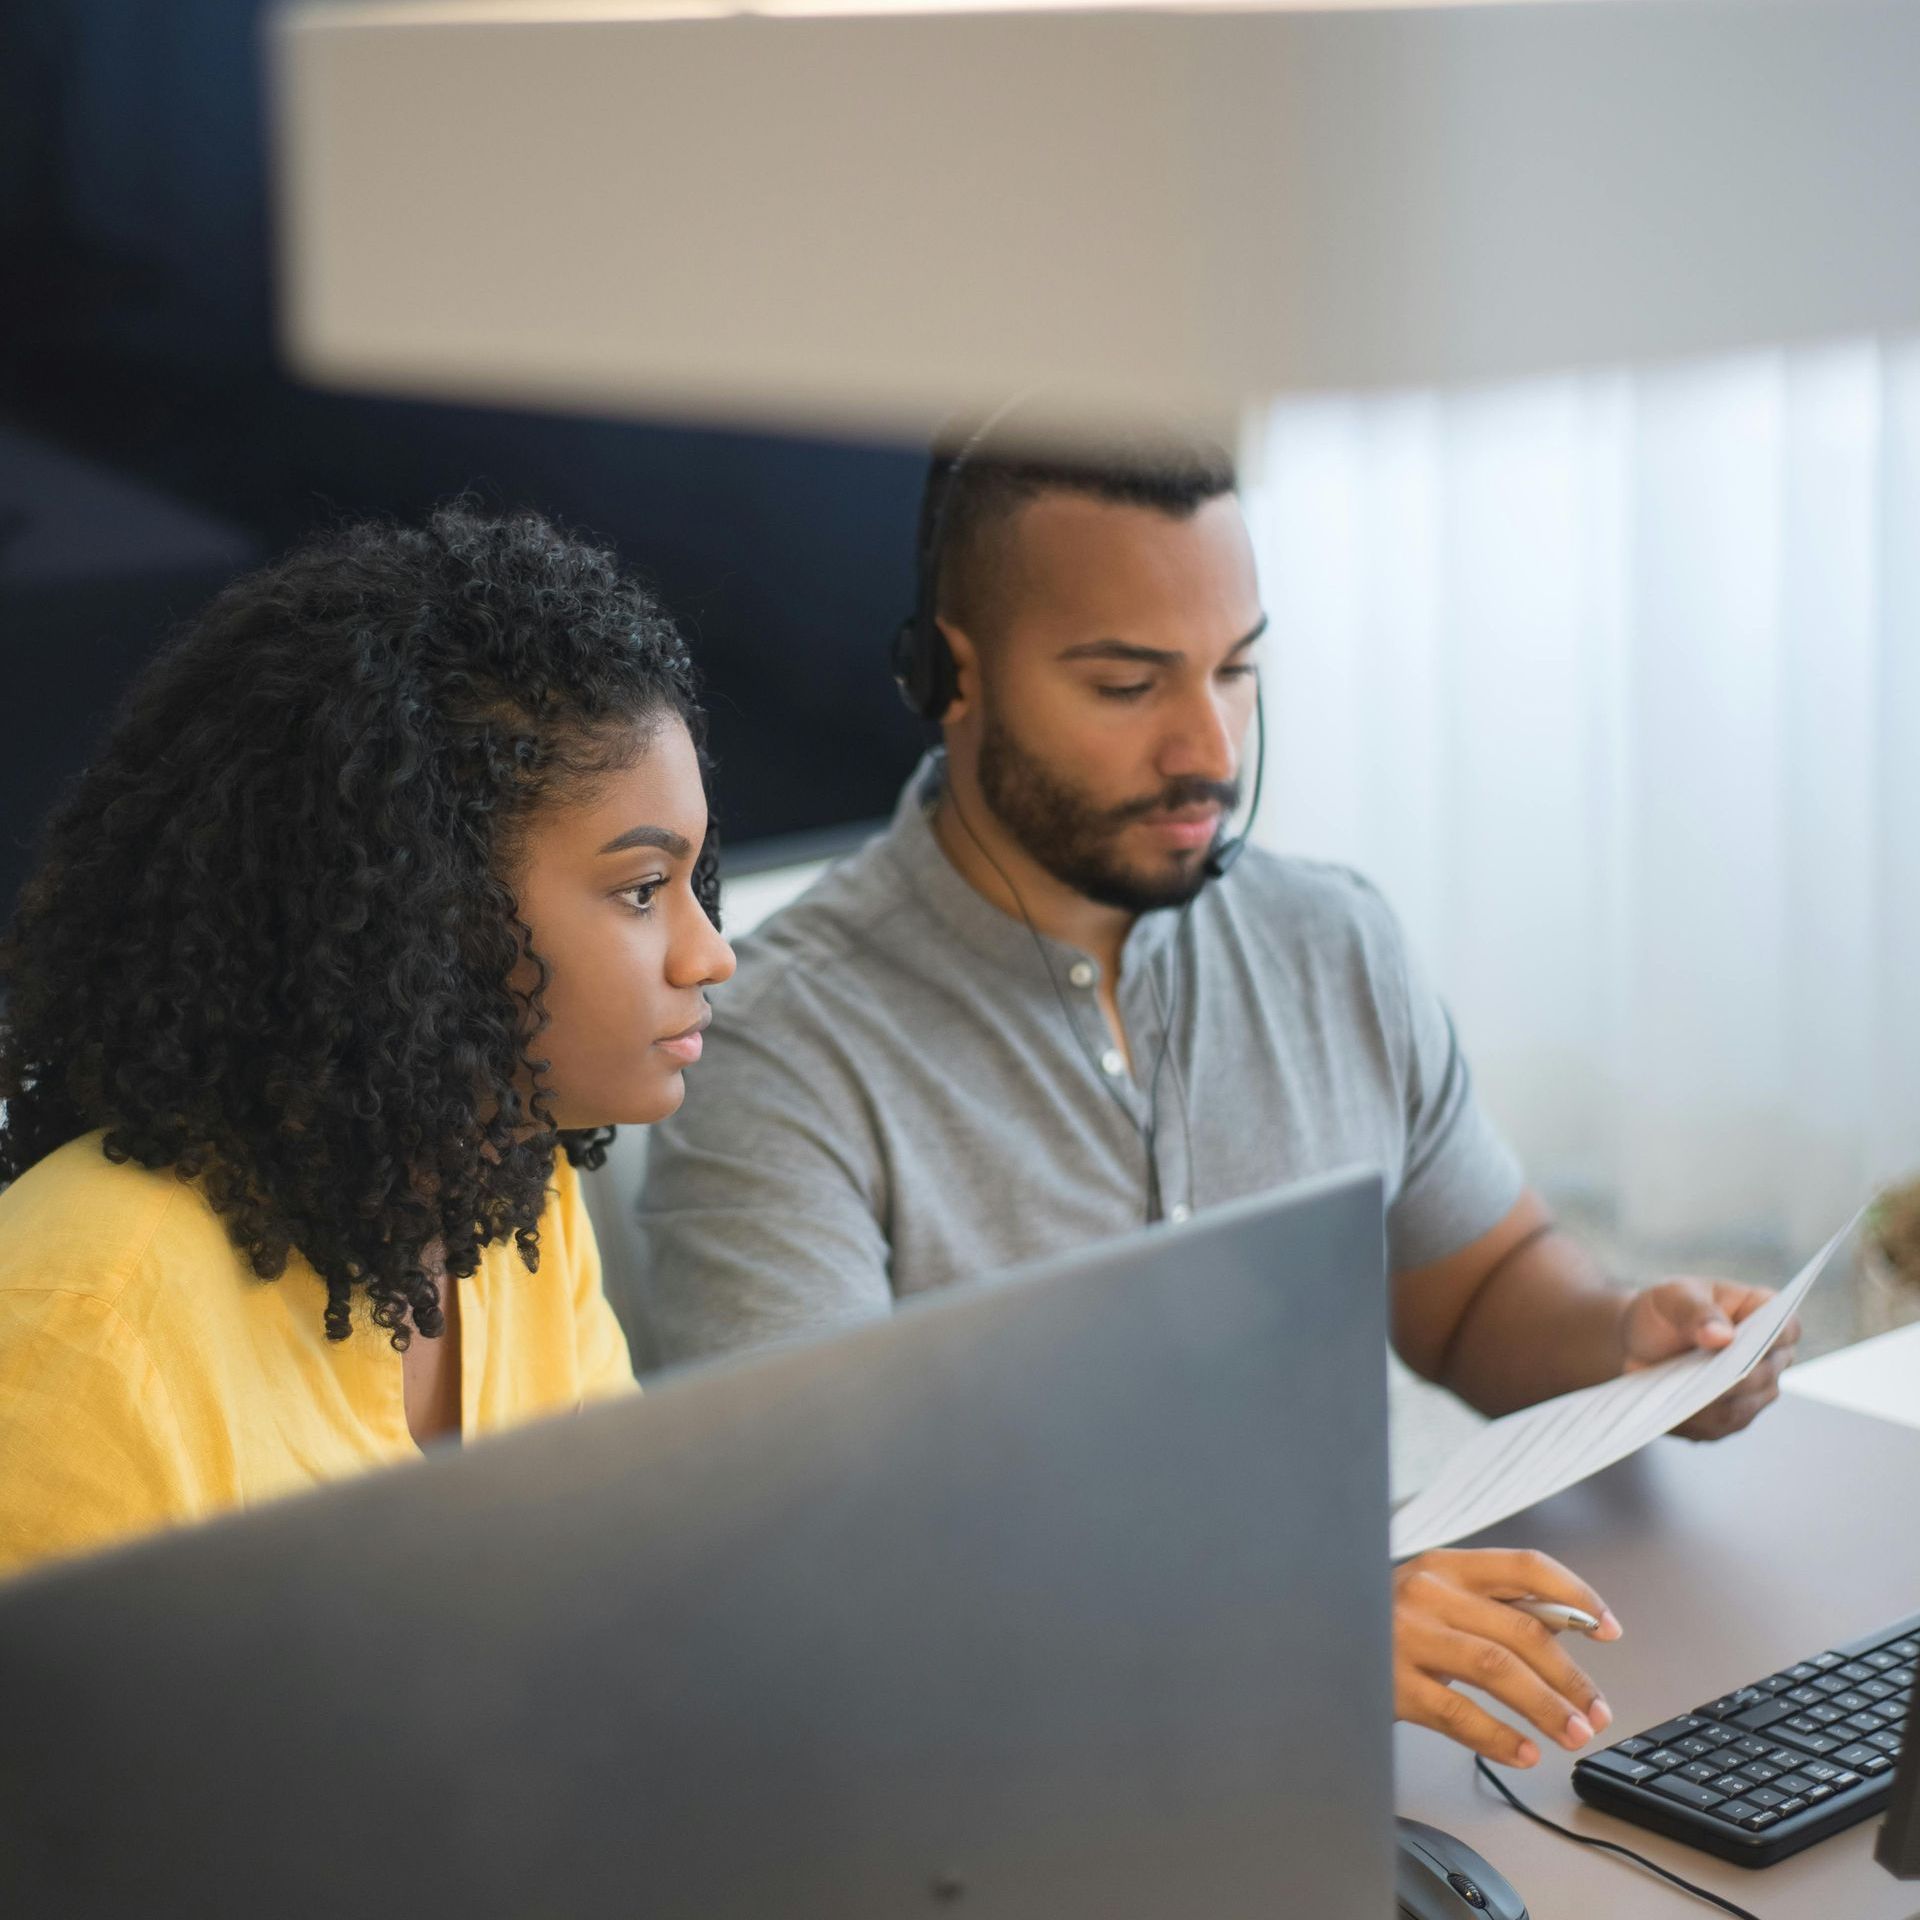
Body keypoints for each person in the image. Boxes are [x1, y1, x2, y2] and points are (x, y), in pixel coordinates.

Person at [634, 415, 1800, 1772]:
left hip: (1370, 1737)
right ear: (952, 675)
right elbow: (812, 1552)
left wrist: (1626, 1348)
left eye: (1237, 672)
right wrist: (1289, 1627)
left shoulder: (1332, 940)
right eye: (1129, 685)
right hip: (1013, 1775)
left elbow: (1477, 1292)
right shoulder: (780, 1047)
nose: (1207, 747)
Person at [0, 506, 735, 1578]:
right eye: (640, 891)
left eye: (692, 882)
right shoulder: (80, 1322)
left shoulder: (508, 1190)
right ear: (423, 911)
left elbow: (615, 1604)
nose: (708, 954)